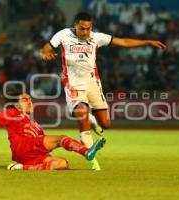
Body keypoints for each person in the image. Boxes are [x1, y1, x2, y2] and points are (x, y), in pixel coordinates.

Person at [40, 12, 166, 170]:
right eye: (82, 29)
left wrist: (147, 42)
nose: (85, 32)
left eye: (88, 29)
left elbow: (124, 41)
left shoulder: (96, 37)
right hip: (73, 83)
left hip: (93, 83)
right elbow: (45, 49)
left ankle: (93, 120)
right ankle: (93, 161)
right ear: (75, 26)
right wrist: (46, 54)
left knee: (105, 124)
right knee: (82, 111)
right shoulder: (63, 34)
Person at [0, 93, 106, 171]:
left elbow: (42, 143)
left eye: (30, 99)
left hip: (30, 155)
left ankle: (23, 167)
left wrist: (47, 157)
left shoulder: (36, 125)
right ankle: (87, 153)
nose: (29, 101)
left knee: (62, 163)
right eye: (25, 99)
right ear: (17, 105)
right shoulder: (13, 113)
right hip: (23, 147)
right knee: (61, 138)